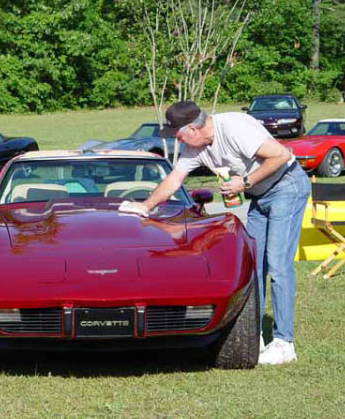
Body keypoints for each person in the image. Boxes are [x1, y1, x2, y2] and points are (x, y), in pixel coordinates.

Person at [125, 101, 310, 365]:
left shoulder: (235, 127)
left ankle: (284, 343)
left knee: (278, 265)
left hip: (287, 186)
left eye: (177, 134)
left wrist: (244, 182)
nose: (177, 140)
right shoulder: (195, 147)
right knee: (253, 266)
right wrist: (145, 206)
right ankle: (253, 335)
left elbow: (280, 155)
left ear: (192, 128)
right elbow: (174, 180)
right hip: (260, 196)